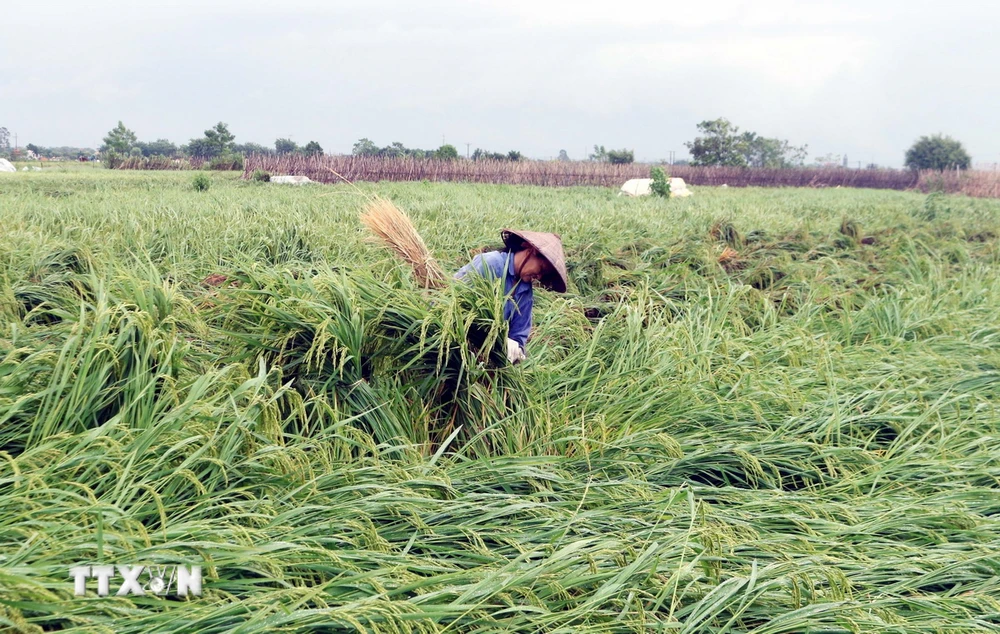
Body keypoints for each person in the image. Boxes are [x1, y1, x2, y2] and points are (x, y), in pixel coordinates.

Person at [454, 229, 568, 364]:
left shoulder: (525, 292)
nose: (539, 276)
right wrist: (498, 339)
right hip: (457, 345)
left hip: (481, 361)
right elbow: (456, 305)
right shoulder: (491, 264)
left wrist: (516, 349)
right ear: (530, 250)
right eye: (541, 269)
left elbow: (519, 335)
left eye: (544, 275)